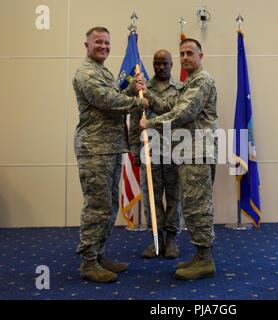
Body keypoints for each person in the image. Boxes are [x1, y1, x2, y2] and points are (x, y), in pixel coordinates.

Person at [72, 26, 148, 283]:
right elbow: (106, 100)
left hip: (111, 147)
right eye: (98, 43)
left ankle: (99, 254)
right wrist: (138, 101)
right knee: (97, 206)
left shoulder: (102, 70)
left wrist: (131, 90)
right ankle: (88, 262)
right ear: (87, 45)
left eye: (106, 43)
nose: (103, 47)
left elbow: (115, 96)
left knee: (109, 205)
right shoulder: (86, 73)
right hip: (95, 150)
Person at [138, 38, 218, 280]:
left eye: (189, 53)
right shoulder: (189, 83)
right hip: (187, 151)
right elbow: (168, 105)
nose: (185, 58)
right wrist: (147, 94)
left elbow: (184, 113)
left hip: (197, 152)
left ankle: (205, 260)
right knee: (193, 207)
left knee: (198, 207)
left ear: (200, 56)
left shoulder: (202, 81)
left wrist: (149, 123)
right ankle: (200, 255)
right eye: (182, 54)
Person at [128, 49, 183, 259]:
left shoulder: (179, 88)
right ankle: (155, 238)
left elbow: (175, 114)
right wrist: (134, 150)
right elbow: (135, 122)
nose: (161, 67)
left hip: (173, 151)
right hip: (148, 152)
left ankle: (171, 239)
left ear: (171, 64)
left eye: (165, 63)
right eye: (157, 63)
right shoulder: (141, 89)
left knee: (174, 197)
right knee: (152, 197)